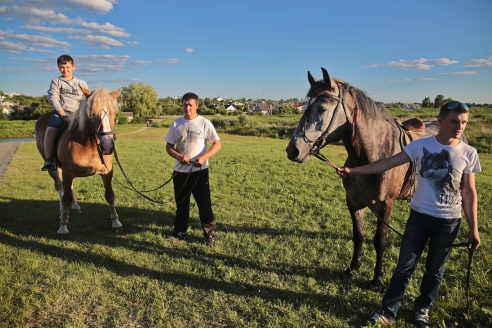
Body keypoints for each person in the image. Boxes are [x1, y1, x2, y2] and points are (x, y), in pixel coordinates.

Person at [336, 101, 480, 327]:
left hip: (449, 222)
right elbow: (384, 164)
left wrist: (474, 229)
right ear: (441, 121)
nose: (460, 126)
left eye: (464, 122)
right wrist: (352, 170)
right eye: (454, 121)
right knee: (404, 267)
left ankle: (423, 309)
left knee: (435, 271)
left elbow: (469, 192)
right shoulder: (420, 146)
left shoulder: (469, 153)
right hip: (419, 218)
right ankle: (389, 310)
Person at [165, 92, 222, 245]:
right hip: (180, 172)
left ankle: (209, 233)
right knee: (181, 204)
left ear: (197, 105)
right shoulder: (176, 124)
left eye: (190, 104)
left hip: (199, 172)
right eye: (185, 104)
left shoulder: (204, 123)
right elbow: (169, 147)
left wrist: (203, 158)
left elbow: (217, 144)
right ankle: (180, 231)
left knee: (204, 204)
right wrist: (178, 157)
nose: (187, 107)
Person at [41, 54, 88, 171]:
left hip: (79, 113)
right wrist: (62, 113)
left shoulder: (82, 83)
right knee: (51, 130)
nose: (65, 70)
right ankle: (49, 160)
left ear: (73, 67)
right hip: (62, 112)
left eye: (67, 67)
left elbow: (87, 99)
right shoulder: (56, 81)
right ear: (58, 68)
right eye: (62, 67)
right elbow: (53, 98)